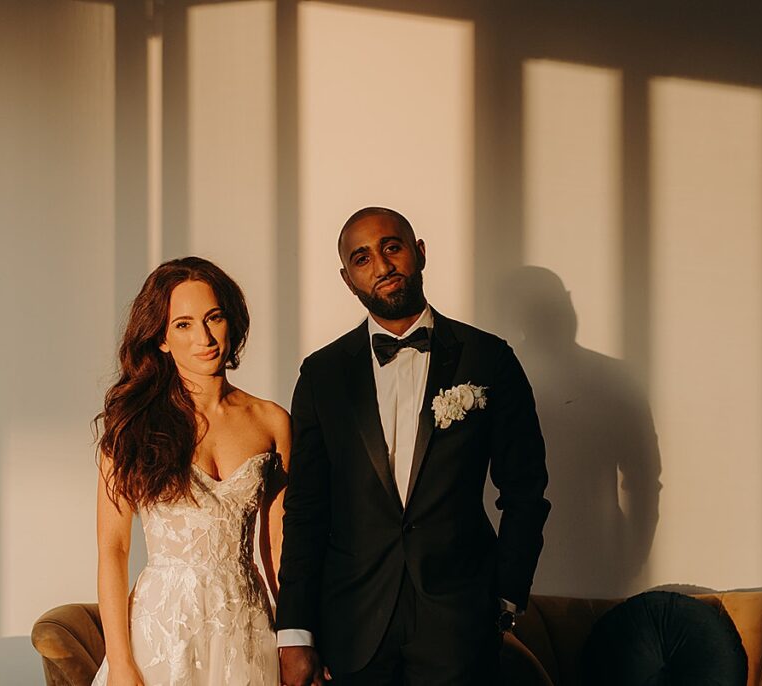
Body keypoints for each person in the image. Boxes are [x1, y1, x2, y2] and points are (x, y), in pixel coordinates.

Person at [276, 208, 551, 685]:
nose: (381, 266)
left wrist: (506, 595)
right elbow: (305, 509)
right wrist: (295, 630)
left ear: (419, 252)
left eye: (392, 247)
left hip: (460, 623)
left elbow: (526, 489)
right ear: (348, 279)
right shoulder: (321, 375)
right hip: (352, 622)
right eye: (362, 258)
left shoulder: (488, 357)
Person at [91, 257, 289, 686]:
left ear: (229, 321)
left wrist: (296, 637)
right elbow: (114, 550)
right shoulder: (132, 425)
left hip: (246, 620)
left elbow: (279, 541)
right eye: (183, 325)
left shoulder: (271, 421)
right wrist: (121, 662)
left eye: (213, 318)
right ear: (161, 338)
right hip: (163, 630)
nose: (204, 337)